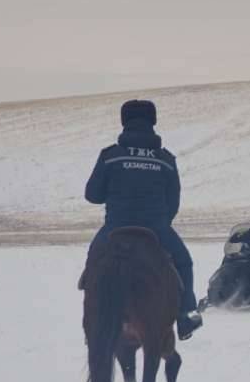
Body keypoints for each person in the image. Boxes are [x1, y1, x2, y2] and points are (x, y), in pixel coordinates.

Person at [85, 100, 203, 340]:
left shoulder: (110, 156)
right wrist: (160, 222)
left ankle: (94, 313)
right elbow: (173, 201)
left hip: (114, 228)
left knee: (93, 263)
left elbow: (92, 194)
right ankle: (185, 315)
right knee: (184, 262)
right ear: (153, 121)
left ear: (124, 121)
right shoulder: (166, 159)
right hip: (156, 228)